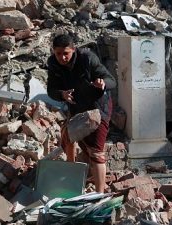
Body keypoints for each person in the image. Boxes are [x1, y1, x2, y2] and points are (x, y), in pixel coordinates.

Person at [46, 34, 116, 193]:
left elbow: (111, 80)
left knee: (96, 152)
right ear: (53, 52)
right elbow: (51, 90)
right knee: (68, 138)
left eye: (66, 53)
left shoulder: (87, 58)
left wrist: (102, 84)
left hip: (98, 108)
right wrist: (61, 94)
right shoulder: (53, 64)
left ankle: (99, 194)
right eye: (58, 54)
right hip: (77, 108)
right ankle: (72, 179)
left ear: (73, 50)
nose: (62, 58)